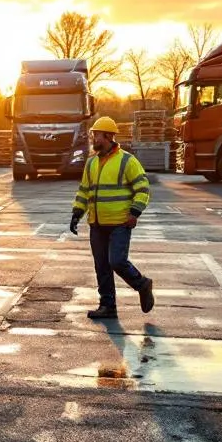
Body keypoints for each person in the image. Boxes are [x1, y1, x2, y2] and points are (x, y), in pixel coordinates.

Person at [69, 116, 156, 319]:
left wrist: (135, 212)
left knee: (116, 261)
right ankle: (108, 306)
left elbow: (143, 189)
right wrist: (76, 213)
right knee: (102, 266)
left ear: (107, 136)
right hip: (97, 224)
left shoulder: (127, 161)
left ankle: (142, 284)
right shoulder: (91, 163)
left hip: (120, 223)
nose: (93, 138)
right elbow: (84, 191)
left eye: (96, 134)